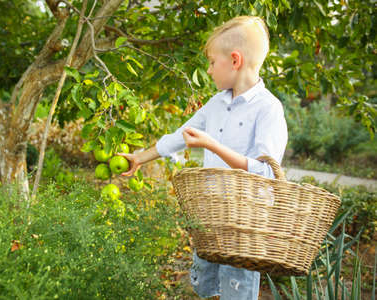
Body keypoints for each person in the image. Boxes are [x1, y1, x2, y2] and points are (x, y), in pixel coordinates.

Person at [118, 15, 288, 300]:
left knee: (237, 290)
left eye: (212, 62)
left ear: (235, 60)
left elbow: (267, 172)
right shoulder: (216, 103)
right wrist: (139, 156)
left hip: (242, 227)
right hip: (209, 220)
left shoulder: (268, 109)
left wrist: (213, 145)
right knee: (206, 287)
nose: (208, 71)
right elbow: (179, 136)